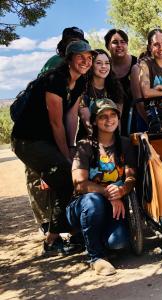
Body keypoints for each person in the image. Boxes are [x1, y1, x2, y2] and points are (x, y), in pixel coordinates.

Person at [11, 40, 96, 255]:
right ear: (69, 59)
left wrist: (71, 147)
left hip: (46, 141)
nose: (86, 61)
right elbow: (55, 122)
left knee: (66, 179)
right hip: (27, 140)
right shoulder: (54, 79)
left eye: (89, 57)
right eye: (80, 57)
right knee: (66, 177)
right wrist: (66, 156)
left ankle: (69, 235)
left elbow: (70, 119)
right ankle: (54, 239)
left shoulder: (80, 81)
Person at [27, 26, 87, 237]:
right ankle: (47, 224)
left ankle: (62, 223)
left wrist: (69, 146)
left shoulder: (78, 75)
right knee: (40, 176)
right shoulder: (56, 65)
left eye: (78, 41)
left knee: (61, 171)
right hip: (38, 131)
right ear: (64, 46)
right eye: (71, 41)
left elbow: (70, 114)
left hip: (57, 126)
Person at [67, 98, 136, 276]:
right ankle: (95, 257)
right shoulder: (85, 146)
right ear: (95, 121)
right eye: (103, 116)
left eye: (113, 115)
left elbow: (131, 177)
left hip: (112, 205)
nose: (109, 119)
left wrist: (122, 191)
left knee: (118, 243)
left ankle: (92, 236)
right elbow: (79, 185)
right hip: (84, 205)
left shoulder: (125, 144)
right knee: (93, 201)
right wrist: (108, 193)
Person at [78, 49, 124, 138]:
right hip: (88, 139)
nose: (104, 66)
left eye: (107, 63)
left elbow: (117, 121)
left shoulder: (115, 88)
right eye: (99, 63)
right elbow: (87, 123)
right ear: (91, 65)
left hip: (112, 139)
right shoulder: (83, 88)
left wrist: (117, 142)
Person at [104, 29, 138, 136]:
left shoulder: (137, 64)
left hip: (136, 116)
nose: (119, 45)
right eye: (114, 42)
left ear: (127, 44)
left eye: (122, 42)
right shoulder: (103, 67)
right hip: (110, 121)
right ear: (108, 46)